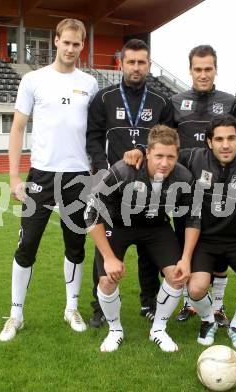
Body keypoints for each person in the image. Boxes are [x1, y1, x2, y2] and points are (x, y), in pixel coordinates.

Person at [124, 114, 236, 350]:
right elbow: (164, 152)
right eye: (219, 139)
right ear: (209, 142)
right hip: (206, 238)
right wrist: (141, 150)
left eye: (231, 138)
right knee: (195, 287)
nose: (225, 145)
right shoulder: (194, 157)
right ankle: (208, 320)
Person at [0, 18, 98, 342]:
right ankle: (16, 314)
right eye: (66, 42)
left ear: (82, 46)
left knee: (76, 245)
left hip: (78, 176)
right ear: (56, 41)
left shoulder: (90, 83)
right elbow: (17, 128)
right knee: (27, 245)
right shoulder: (33, 80)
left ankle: (71, 308)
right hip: (41, 174)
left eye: (77, 44)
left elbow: (94, 133)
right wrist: (14, 177)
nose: (71, 49)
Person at [85, 125, 200, 352]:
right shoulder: (123, 172)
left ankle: (158, 329)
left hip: (155, 226)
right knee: (107, 279)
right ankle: (114, 330)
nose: (164, 163)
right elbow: (91, 213)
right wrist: (108, 257)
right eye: (159, 156)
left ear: (177, 155)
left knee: (177, 275)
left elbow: (193, 218)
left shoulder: (184, 177)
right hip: (118, 224)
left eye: (170, 157)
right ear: (147, 152)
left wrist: (186, 258)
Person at [86, 39, 173, 327]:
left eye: (142, 62)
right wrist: (101, 170)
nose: (136, 67)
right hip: (114, 188)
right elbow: (94, 137)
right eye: (131, 62)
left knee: (150, 246)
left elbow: (170, 142)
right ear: (120, 63)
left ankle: (149, 302)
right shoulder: (104, 98)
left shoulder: (160, 101)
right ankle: (99, 306)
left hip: (151, 190)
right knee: (105, 250)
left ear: (149, 65)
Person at [171, 45, 236, 326]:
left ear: (216, 69)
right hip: (183, 190)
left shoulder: (230, 101)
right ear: (190, 70)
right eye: (197, 69)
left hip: (218, 189)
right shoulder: (175, 101)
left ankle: (219, 306)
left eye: (208, 68)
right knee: (183, 246)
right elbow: (167, 142)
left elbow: (235, 142)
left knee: (220, 248)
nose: (203, 74)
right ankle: (190, 303)